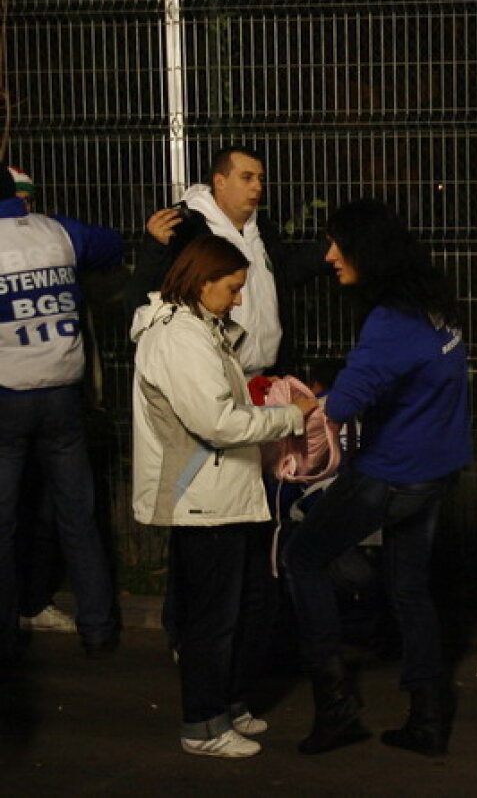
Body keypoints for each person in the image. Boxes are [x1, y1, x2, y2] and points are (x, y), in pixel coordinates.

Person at [282, 199, 471, 757]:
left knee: (302, 557)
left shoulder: (389, 322)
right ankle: (428, 719)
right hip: (438, 468)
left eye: (337, 244)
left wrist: (320, 394)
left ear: (368, 250)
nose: (329, 255)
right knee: (409, 587)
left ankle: (335, 706)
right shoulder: (432, 302)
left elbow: (344, 404)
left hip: (394, 474)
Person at [130, 234, 317, 758]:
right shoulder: (179, 338)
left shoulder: (198, 329)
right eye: (232, 288)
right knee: (212, 618)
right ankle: (202, 725)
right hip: (200, 496)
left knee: (238, 607)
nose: (238, 300)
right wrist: (289, 416)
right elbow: (217, 422)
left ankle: (224, 707)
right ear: (201, 281)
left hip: (218, 491)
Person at [0, 166, 121, 674]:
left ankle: (7, 640)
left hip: (7, 395)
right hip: (64, 396)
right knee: (78, 516)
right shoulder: (57, 232)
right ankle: (98, 629)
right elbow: (111, 245)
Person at [124, 145, 327, 376]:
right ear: (220, 181)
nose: (257, 186)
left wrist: (332, 249)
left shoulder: (264, 231)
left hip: (265, 376)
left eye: (260, 178)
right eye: (247, 177)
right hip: (210, 376)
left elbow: (286, 273)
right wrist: (155, 248)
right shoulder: (186, 232)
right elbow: (142, 298)